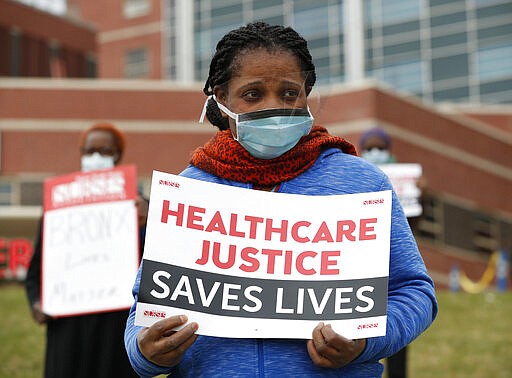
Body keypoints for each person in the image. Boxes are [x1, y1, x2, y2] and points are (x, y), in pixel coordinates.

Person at [124, 22, 437, 377]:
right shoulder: (190, 191)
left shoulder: (362, 184)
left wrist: (365, 343)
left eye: (289, 93)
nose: (274, 107)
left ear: (307, 95)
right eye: (253, 94)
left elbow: (414, 292)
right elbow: (144, 312)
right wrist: (146, 353)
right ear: (221, 99)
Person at [25, 122, 146, 378]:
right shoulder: (58, 204)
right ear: (81, 154)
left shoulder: (138, 206)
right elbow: (36, 269)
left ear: (117, 156)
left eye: (104, 151)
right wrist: (37, 303)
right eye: (90, 151)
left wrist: (150, 214)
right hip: (68, 325)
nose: (95, 158)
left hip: (116, 326)